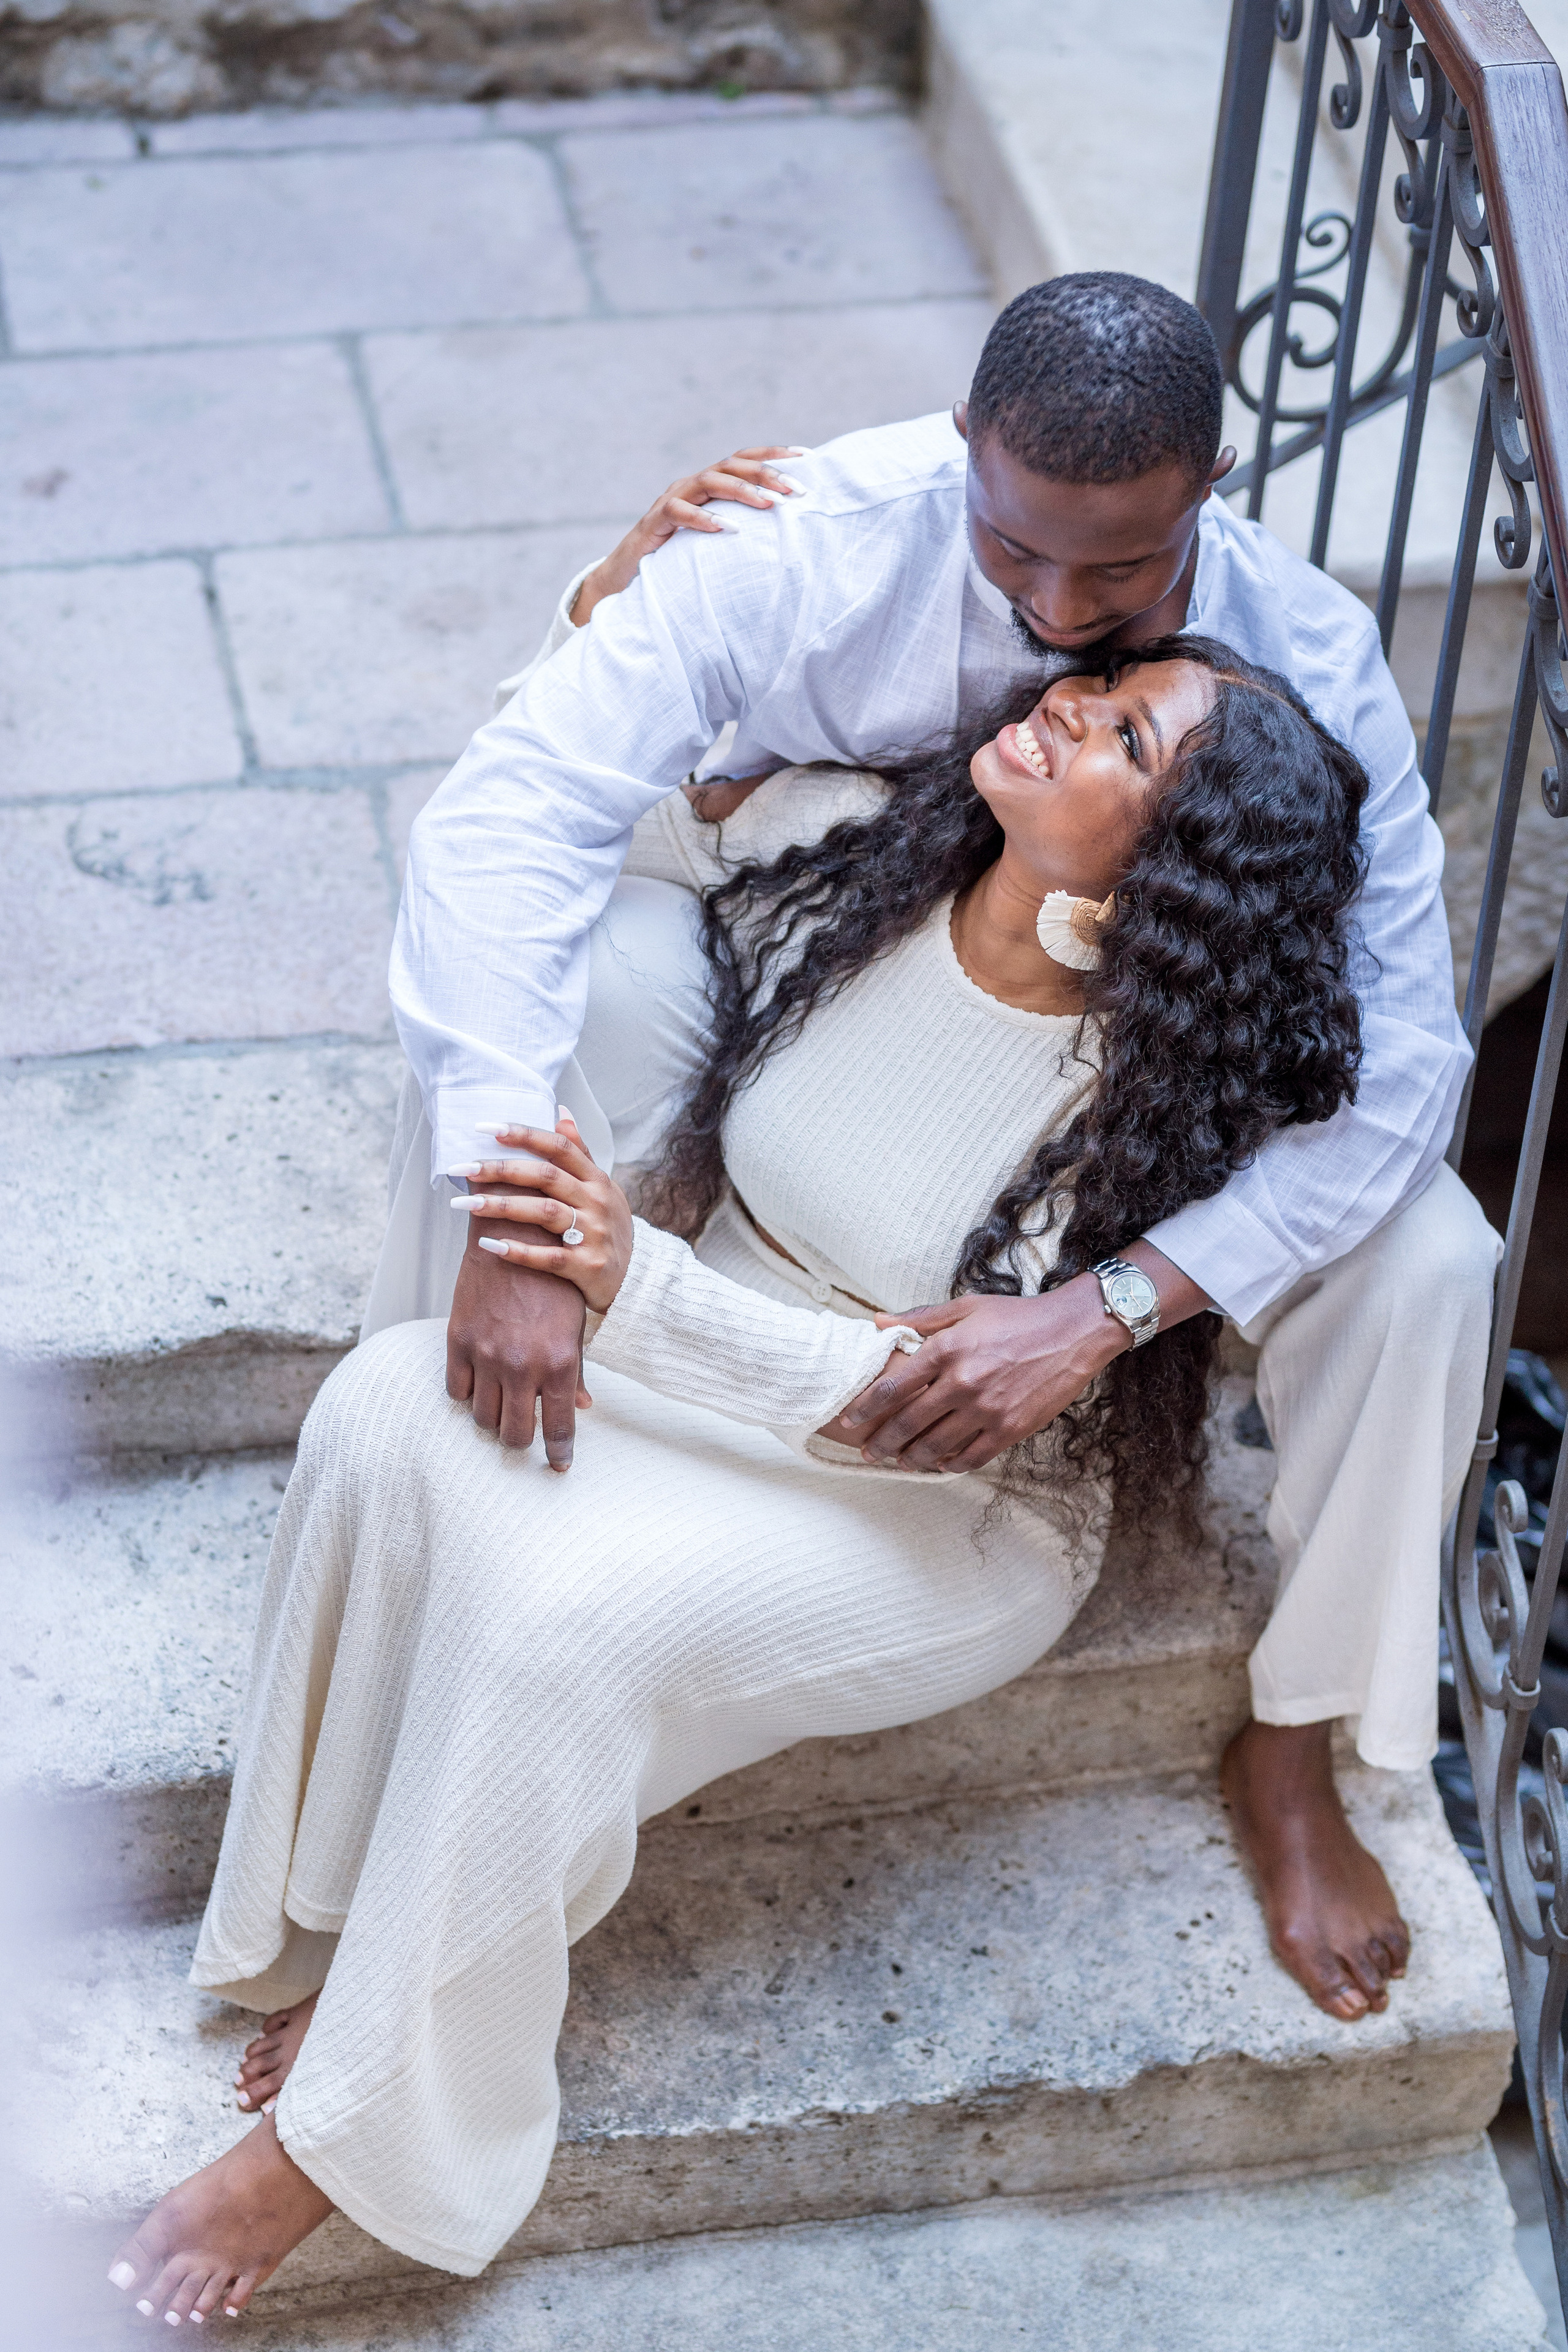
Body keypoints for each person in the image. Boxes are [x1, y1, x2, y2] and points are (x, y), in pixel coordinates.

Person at [109, 628, 1407, 2318]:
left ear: (1173, 875)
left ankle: (350, 2144)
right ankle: (364, 1952)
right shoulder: (877, 858)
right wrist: (617, 597)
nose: (1069, 708)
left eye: (1129, 742)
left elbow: (923, 1407)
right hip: (720, 1360)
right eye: (1100, 689)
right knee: (381, 1405)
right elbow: (561, 807)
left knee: (559, 1630)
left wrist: (625, 1282)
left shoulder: (1142, 1102)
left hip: (937, 1510)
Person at [373, 273, 1498, 2029]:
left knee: (1434, 1256)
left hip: (1107, 1079)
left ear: (1212, 483)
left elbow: (1410, 1052)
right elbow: (513, 811)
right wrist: (512, 1218)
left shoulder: (1312, 651)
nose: (1057, 615)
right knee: (559, 995)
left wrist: (1113, 1303)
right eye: (1013, 549)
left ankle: (1305, 1733)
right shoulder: (807, 534)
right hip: (799, 946)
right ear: (965, 444)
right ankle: (478, 1391)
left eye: (1119, 577)